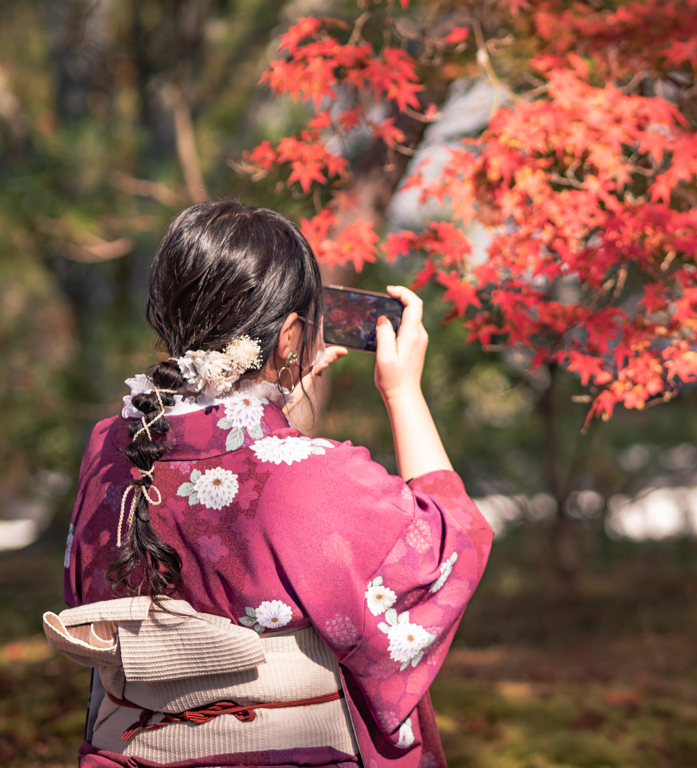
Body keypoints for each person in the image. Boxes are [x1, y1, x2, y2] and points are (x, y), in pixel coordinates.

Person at [43, 201, 493, 768]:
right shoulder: (314, 475)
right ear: (288, 338)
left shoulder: (113, 450)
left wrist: (273, 415)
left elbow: (227, 488)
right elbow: (451, 541)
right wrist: (404, 393)